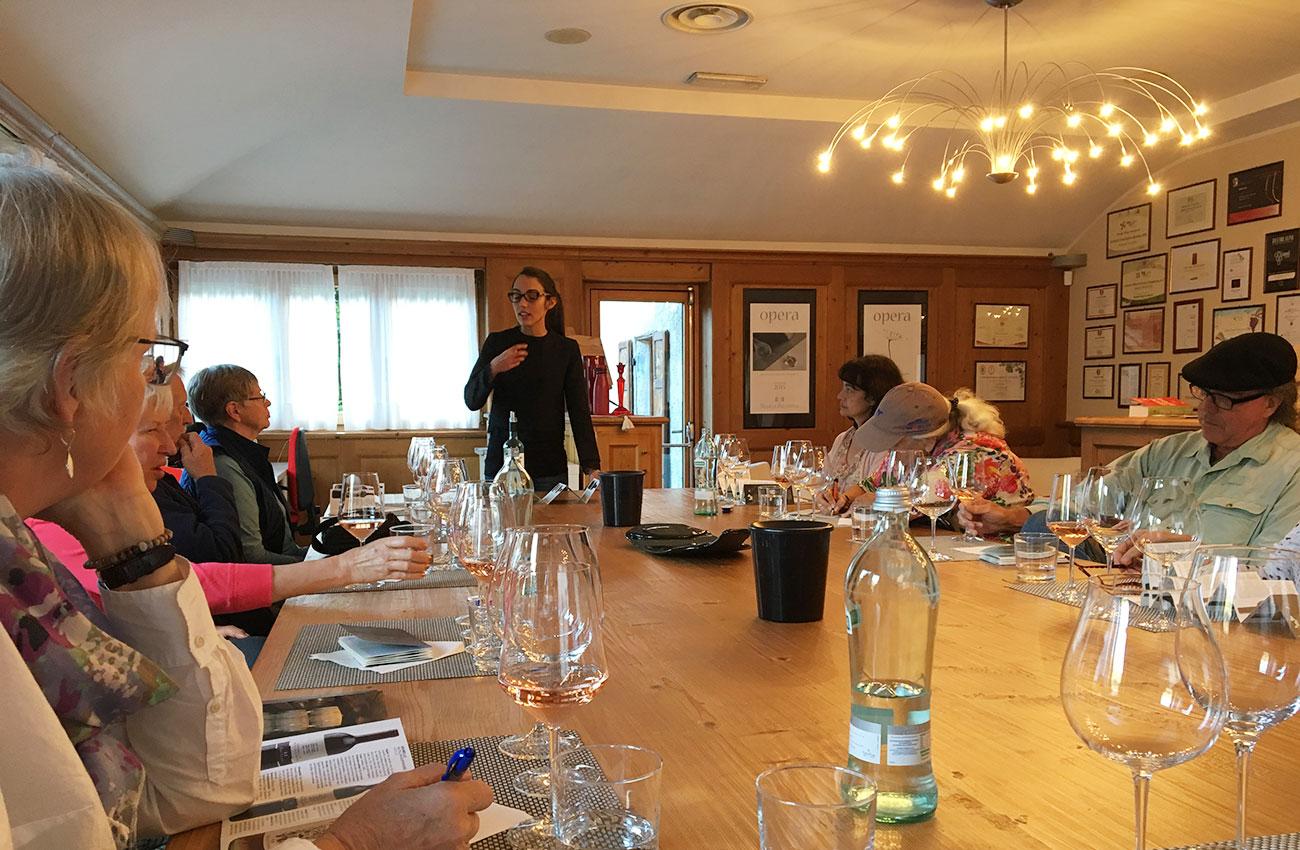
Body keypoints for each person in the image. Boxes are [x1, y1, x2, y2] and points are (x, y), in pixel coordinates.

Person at [0, 164, 490, 850]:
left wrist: (136, 545)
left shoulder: (19, 560)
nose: (165, 404)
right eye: (151, 358)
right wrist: (350, 846)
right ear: (72, 383)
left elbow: (194, 792)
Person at [28, 384, 432, 621]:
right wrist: (344, 568)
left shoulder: (152, 483)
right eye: (156, 426)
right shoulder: (61, 517)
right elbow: (207, 569)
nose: (174, 441)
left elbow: (172, 587)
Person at [1102, 333, 1300, 564]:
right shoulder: (1169, 451)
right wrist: (1107, 531)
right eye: (1204, 393)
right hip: (1120, 581)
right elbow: (1086, 504)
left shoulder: (1291, 470)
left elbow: (1272, 574)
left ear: (1270, 404)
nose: (1205, 409)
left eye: (1223, 399)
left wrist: (1188, 554)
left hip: (1207, 589)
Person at [464, 266, 601, 491]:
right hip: (502, 467)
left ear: (550, 302)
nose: (523, 304)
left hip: (549, 468)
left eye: (532, 296)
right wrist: (494, 367)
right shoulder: (497, 343)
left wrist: (591, 466)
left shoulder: (565, 349)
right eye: (516, 296)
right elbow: (471, 399)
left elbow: (579, 410)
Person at [187, 364, 307, 563]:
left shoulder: (241, 450)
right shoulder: (222, 464)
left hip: (282, 565)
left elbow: (284, 548)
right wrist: (318, 565)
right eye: (260, 397)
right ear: (234, 410)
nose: (268, 402)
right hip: (262, 580)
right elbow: (252, 558)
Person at [824, 381, 952, 512]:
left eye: (895, 442)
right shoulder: (900, 456)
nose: (888, 449)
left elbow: (929, 503)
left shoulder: (957, 458)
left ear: (928, 441)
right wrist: (844, 499)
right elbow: (870, 485)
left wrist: (881, 502)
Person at [928, 387, 1035, 529]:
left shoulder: (970, 451)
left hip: (1002, 537)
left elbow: (918, 503)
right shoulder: (972, 441)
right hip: (990, 534)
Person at [824, 355, 904, 489]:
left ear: (873, 396)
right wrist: (822, 496)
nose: (840, 396)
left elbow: (875, 492)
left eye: (849, 390)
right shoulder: (842, 439)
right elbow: (822, 484)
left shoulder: (886, 444)